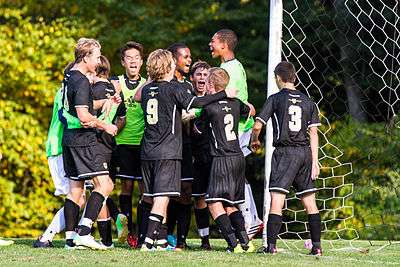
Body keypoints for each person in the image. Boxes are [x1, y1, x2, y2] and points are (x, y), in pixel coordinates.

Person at [136, 49, 236, 251]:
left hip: (147, 150)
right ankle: (148, 242)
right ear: (167, 67)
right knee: (162, 197)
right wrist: (223, 94)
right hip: (167, 151)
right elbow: (195, 102)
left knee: (155, 196)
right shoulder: (173, 88)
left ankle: (161, 240)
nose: (175, 66)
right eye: (172, 63)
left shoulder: (146, 90)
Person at [250, 61, 322, 256]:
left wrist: (254, 140)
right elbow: (314, 133)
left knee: (277, 199)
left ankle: (271, 246)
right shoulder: (309, 101)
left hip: (285, 153)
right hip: (305, 154)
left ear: (278, 78)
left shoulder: (275, 99)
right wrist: (315, 161)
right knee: (310, 203)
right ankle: (317, 247)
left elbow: (257, 125)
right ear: (295, 78)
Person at [60, 38, 117, 250]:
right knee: (106, 185)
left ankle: (70, 240)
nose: (98, 61)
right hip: (84, 141)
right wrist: (105, 126)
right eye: (96, 56)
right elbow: (84, 116)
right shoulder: (82, 80)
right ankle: (84, 232)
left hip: (69, 139)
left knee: (75, 189)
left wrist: (104, 103)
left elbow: (80, 104)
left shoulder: (69, 76)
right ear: (86, 57)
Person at [209, 29, 263, 239]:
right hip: (238, 129)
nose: (210, 44)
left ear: (224, 44)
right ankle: (251, 219)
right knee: (237, 176)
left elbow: (232, 101)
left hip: (237, 131)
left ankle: (250, 220)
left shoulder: (230, 69)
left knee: (236, 177)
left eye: (213, 41)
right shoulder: (230, 66)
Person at [196, 67, 255, 253]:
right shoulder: (236, 103)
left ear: (211, 85)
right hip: (238, 156)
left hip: (221, 158)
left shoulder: (208, 107)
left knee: (213, 202)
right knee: (230, 203)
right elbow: (251, 110)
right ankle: (246, 242)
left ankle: (233, 244)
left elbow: (198, 129)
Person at [110, 41, 148, 248]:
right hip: (122, 142)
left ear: (141, 62)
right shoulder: (115, 83)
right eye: (128, 58)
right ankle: (127, 229)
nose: (132, 61)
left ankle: (142, 233)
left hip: (143, 143)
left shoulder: (147, 84)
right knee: (126, 188)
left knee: (144, 190)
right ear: (123, 62)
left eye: (136, 58)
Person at [91, 55, 128, 248]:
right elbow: (123, 118)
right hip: (110, 145)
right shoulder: (113, 90)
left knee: (98, 191)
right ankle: (117, 216)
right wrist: (112, 130)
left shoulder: (93, 90)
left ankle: (106, 240)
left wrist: (102, 127)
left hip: (95, 144)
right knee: (104, 188)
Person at [166, 43, 194, 249]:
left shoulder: (188, 86)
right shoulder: (166, 84)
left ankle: (182, 240)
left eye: (189, 56)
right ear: (173, 59)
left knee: (185, 192)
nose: (189, 60)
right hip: (166, 146)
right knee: (165, 193)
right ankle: (162, 235)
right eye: (185, 56)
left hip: (185, 147)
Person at [189, 60, 212, 249]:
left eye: (205, 75)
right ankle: (203, 239)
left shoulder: (216, 99)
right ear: (192, 78)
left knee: (218, 198)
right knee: (197, 198)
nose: (202, 78)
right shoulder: (186, 99)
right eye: (199, 75)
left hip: (213, 156)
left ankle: (238, 236)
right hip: (192, 156)